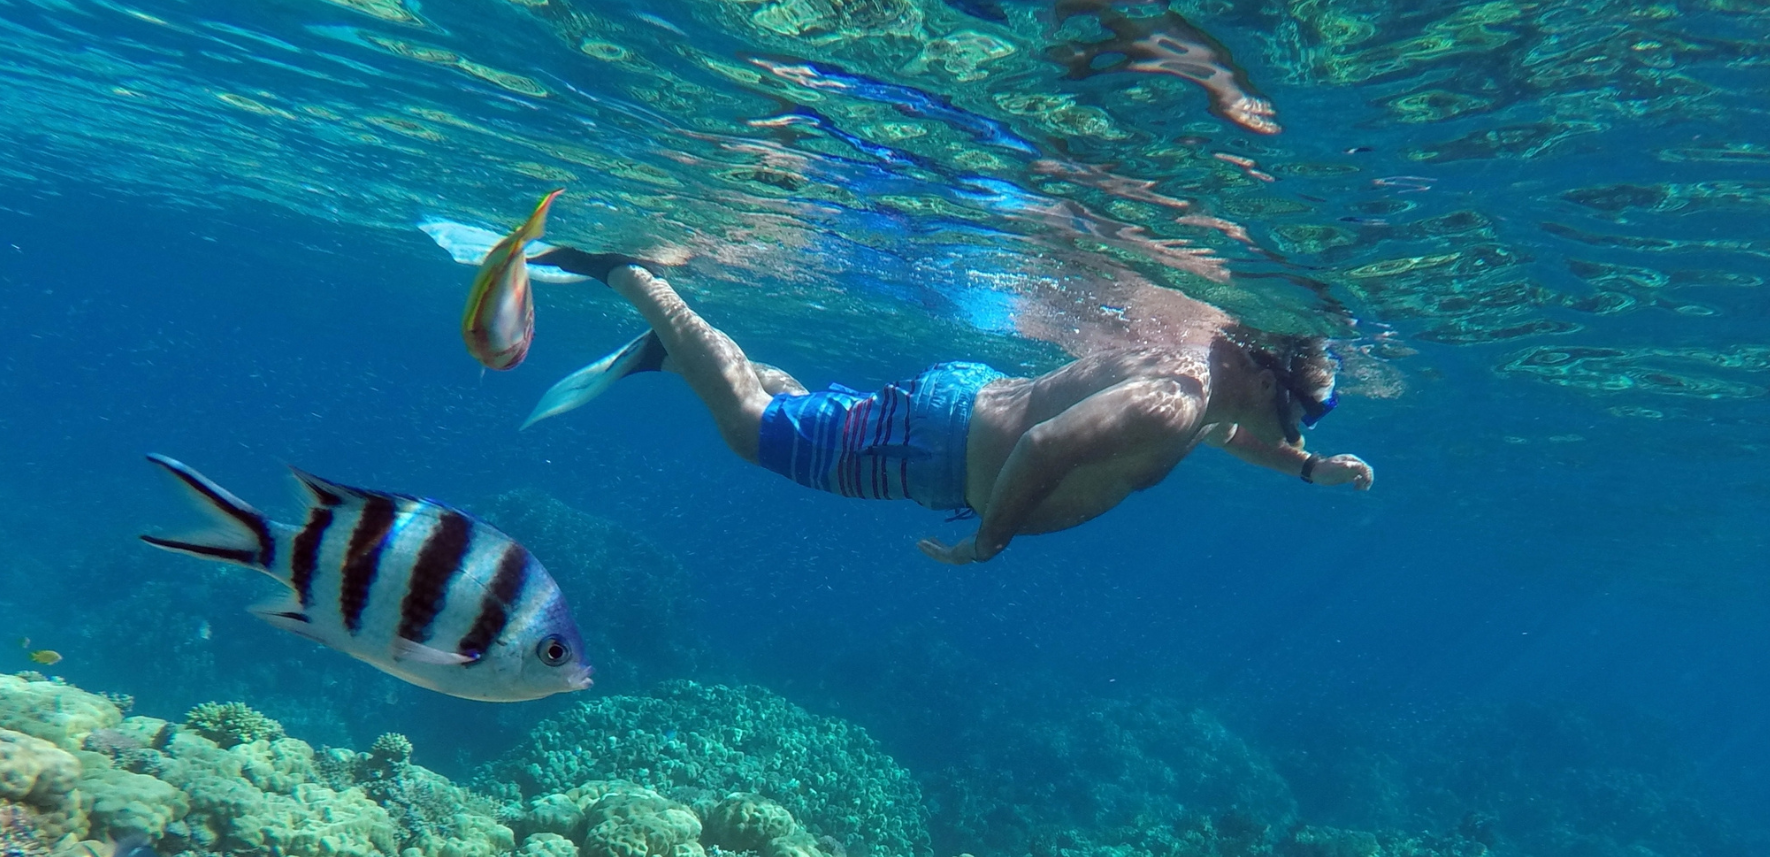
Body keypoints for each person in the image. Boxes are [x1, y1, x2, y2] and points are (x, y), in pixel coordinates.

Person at [531, 250, 1376, 565]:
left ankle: (672, 355)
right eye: (1308, 413)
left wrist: (1306, 467)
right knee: (755, 431)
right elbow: (1046, 447)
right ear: (1267, 380)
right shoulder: (1175, 397)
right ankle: (638, 283)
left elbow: (1236, 436)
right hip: (939, 446)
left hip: (952, 420)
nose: (1302, 426)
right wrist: (989, 540)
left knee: (803, 408)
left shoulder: (1202, 392)